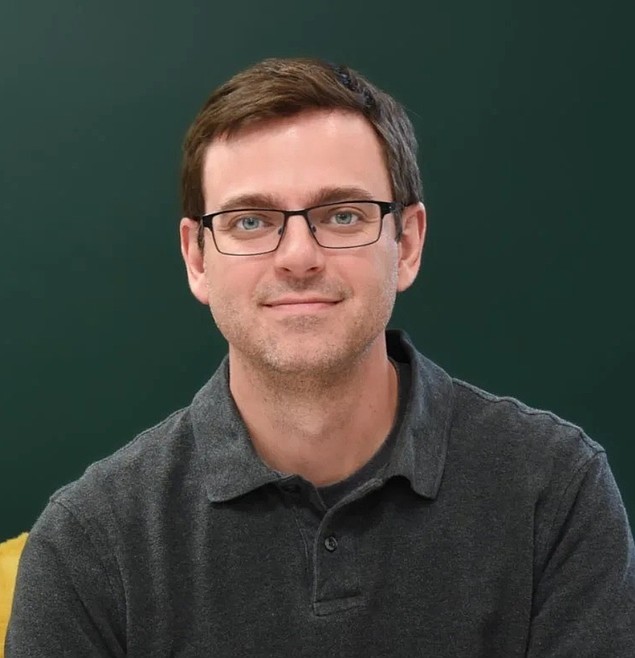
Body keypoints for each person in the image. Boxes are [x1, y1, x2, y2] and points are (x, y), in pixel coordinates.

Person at [6, 58, 634, 657]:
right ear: (197, 258)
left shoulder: (554, 491)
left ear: (407, 244)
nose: (299, 257)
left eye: (342, 214)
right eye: (250, 221)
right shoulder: (88, 543)